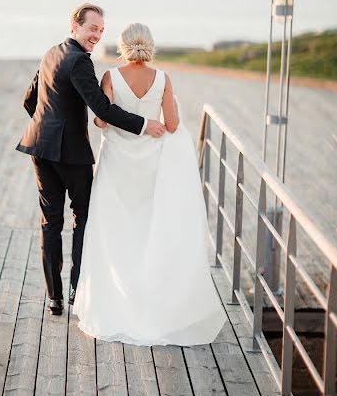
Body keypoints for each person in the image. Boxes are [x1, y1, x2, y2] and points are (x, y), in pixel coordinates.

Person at [72, 23, 227, 345]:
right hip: (151, 163)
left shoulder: (111, 77)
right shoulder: (163, 79)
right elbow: (171, 124)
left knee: (114, 229)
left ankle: (116, 300)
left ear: (123, 46)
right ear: (150, 45)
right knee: (147, 227)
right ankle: (149, 298)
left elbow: (102, 119)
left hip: (117, 162)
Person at [16, 5, 166, 315]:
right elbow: (103, 109)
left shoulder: (51, 53)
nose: (97, 35)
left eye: (101, 30)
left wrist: (48, 127)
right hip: (70, 154)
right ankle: (76, 291)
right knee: (84, 217)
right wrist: (143, 124)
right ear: (75, 25)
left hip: (39, 148)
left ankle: (53, 298)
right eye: (92, 28)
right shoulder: (80, 63)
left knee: (50, 222)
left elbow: (29, 100)